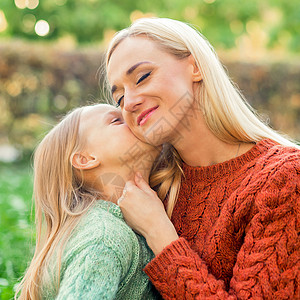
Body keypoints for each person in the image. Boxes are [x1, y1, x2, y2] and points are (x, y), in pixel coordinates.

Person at [105, 17, 300, 299]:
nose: (131, 101)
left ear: (195, 67)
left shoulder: (285, 177)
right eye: (120, 98)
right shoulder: (149, 191)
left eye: (142, 77)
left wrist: (160, 234)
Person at [15, 103, 167, 299]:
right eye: (116, 120)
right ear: (85, 159)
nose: (132, 118)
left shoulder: (102, 227)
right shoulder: (105, 238)